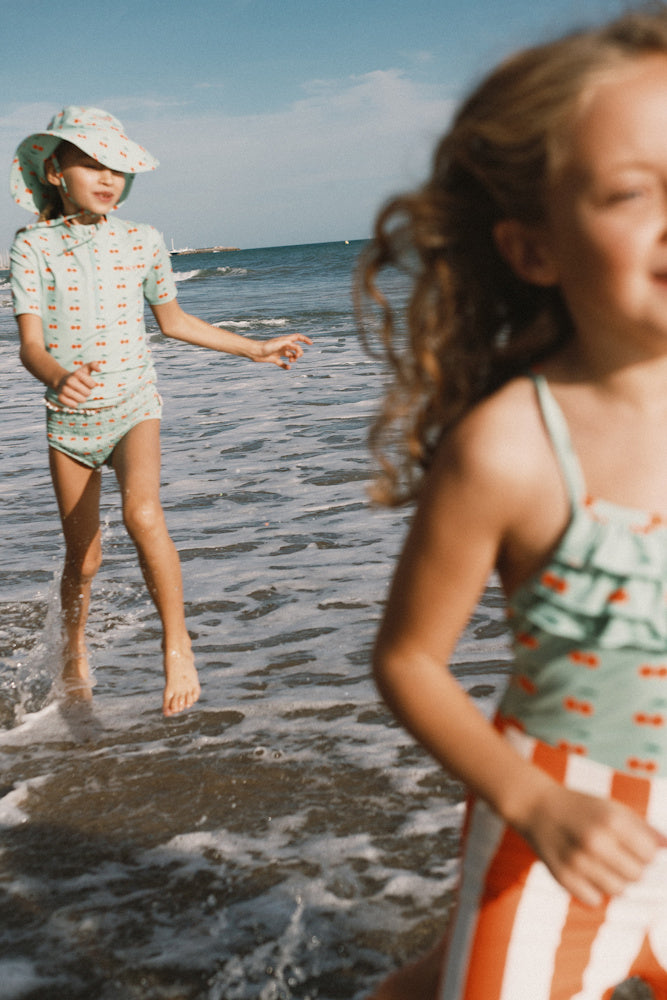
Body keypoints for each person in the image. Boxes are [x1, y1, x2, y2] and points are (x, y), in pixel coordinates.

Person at [356, 6, 667, 999]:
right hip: (559, 826)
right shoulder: (512, 450)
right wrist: (536, 805)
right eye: (629, 193)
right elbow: (408, 660)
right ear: (534, 250)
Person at [9, 106, 311, 718]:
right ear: (54, 171)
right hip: (70, 421)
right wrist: (59, 377)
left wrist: (254, 346)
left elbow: (173, 324)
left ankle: (178, 646)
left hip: (134, 405)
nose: (107, 176)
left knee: (143, 512)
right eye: (90, 162)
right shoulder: (31, 247)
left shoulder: (143, 241)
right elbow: (31, 347)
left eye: (117, 166)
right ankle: (73, 650)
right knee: (84, 558)